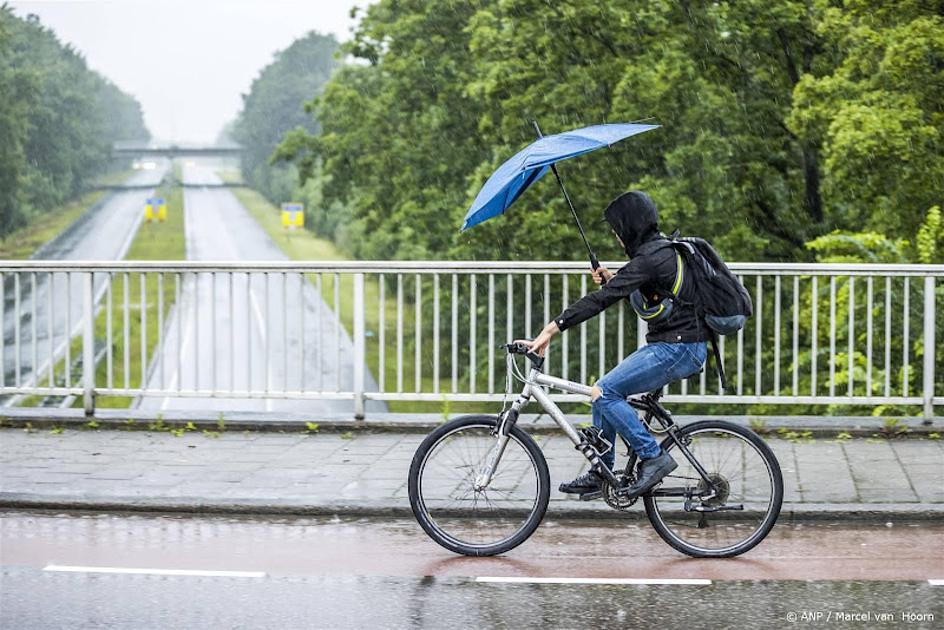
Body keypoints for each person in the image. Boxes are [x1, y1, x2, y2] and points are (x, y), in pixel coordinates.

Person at [519, 191, 709, 499]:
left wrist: (550, 329)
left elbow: (601, 300)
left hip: (679, 348)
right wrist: (613, 277)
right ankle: (602, 472)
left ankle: (653, 456)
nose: (617, 238)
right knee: (603, 391)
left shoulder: (649, 258)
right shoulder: (657, 252)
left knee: (605, 392)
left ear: (630, 228)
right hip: (674, 344)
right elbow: (641, 287)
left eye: (618, 232)